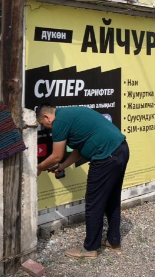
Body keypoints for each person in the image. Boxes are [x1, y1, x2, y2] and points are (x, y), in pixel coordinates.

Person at [36, 104, 130, 259]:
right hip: (121, 150)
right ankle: (114, 241)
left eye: (43, 124)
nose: (46, 128)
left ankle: (90, 248)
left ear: (47, 117)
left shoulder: (59, 121)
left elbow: (56, 156)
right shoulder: (70, 115)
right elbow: (79, 151)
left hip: (105, 157)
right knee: (112, 199)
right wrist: (62, 166)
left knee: (93, 202)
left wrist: (39, 167)